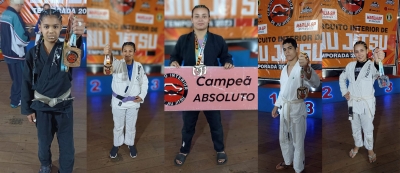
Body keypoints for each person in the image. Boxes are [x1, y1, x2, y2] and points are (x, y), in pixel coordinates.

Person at [21, 9, 85, 173]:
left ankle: (65, 169)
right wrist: (28, 108)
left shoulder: (65, 49)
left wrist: (76, 37)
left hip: (64, 107)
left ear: (61, 28)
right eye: (47, 26)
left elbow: (75, 56)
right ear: (40, 27)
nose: (51, 31)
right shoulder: (32, 54)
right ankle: (45, 164)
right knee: (43, 143)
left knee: (67, 146)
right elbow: (27, 81)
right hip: (41, 108)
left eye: (55, 27)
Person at [169, 4, 234, 166]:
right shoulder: (183, 40)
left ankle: (220, 149)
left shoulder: (217, 40)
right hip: (190, 88)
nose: (200, 19)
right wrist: (174, 62)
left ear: (209, 19)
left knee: (215, 122)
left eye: (204, 16)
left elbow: (226, 57)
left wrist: (227, 63)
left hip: (210, 89)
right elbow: (174, 57)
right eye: (196, 16)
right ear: (191, 19)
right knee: (188, 123)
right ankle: (184, 149)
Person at [271, 38, 320, 173]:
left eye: (290, 48)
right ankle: (287, 161)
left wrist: (307, 68)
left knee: (297, 141)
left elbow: (315, 84)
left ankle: (298, 168)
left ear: (296, 49)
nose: (287, 52)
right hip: (284, 108)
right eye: (284, 49)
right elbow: (283, 91)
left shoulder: (302, 66)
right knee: (284, 137)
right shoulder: (284, 69)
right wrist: (276, 105)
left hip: (297, 108)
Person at [339, 41, 383, 163]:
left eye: (362, 50)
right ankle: (357, 145)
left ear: (367, 51)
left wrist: (378, 61)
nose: (359, 54)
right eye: (356, 51)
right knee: (354, 126)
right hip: (351, 103)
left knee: (368, 128)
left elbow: (379, 73)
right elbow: (342, 78)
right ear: (354, 53)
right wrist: (344, 92)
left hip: (366, 103)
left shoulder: (371, 65)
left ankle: (370, 149)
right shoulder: (350, 66)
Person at [103, 42, 149, 159]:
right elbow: (109, 65)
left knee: (131, 126)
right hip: (118, 102)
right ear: (122, 52)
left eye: (130, 51)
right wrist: (108, 55)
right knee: (118, 126)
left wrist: (142, 95)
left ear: (134, 52)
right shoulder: (117, 64)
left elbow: (144, 81)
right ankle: (116, 144)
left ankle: (130, 143)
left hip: (133, 103)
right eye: (125, 51)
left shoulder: (139, 66)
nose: (127, 53)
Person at [0, 0, 31, 108]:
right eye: (22, 6)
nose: (21, 8)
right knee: (20, 78)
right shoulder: (15, 16)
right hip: (16, 54)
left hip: (6, 52)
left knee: (15, 77)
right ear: (18, 4)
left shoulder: (4, 14)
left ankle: (15, 97)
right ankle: (16, 100)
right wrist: (28, 35)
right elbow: (21, 38)